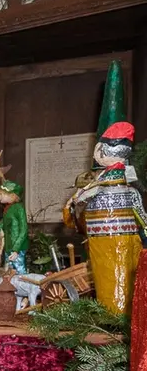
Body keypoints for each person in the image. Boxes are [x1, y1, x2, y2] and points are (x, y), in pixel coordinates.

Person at [65, 120, 147, 315]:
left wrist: (72, 207)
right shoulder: (130, 189)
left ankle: (112, 316)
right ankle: (125, 315)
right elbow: (142, 219)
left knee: (109, 280)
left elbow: (73, 209)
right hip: (128, 240)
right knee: (126, 280)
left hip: (104, 242)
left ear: (101, 151)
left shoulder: (95, 188)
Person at [0, 180, 29, 273]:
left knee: (20, 274)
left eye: (1, 194)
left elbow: (23, 230)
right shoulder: (8, 210)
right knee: (8, 274)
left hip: (16, 250)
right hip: (8, 249)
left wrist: (16, 250)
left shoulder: (19, 208)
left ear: (12, 195)